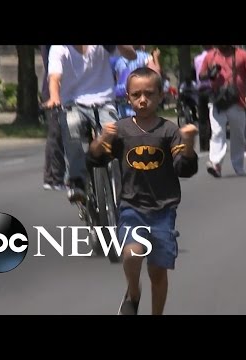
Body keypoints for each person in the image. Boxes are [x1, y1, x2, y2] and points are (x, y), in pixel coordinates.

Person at [89, 67, 199, 315]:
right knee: (131, 253)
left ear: (161, 95)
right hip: (132, 206)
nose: (142, 99)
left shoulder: (169, 131)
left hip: (163, 210)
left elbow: (185, 168)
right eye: (136, 94)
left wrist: (189, 144)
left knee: (158, 272)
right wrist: (101, 139)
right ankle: (134, 291)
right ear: (127, 97)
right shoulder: (122, 130)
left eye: (149, 94)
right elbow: (95, 159)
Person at [45, 45, 136, 204]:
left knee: (115, 134)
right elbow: (54, 77)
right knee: (72, 126)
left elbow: (131, 55)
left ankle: (125, 181)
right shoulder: (60, 48)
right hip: (73, 103)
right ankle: (77, 181)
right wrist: (54, 97)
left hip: (104, 102)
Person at [199, 45, 246, 177]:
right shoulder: (210, 56)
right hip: (218, 101)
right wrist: (209, 73)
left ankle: (238, 166)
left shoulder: (242, 55)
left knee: (238, 135)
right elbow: (201, 75)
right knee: (217, 132)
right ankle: (215, 164)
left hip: (236, 101)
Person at [41, 45, 67, 190]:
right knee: (56, 134)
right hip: (54, 89)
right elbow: (50, 64)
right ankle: (55, 177)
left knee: (60, 135)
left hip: (71, 88)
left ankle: (54, 177)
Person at [114, 45, 161, 118]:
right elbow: (156, 73)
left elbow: (117, 78)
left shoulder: (119, 59)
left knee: (124, 125)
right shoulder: (145, 57)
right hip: (140, 99)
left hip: (122, 99)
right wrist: (155, 56)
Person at [194, 45, 213, 151]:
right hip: (210, 89)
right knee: (211, 117)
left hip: (200, 89)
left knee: (202, 119)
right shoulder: (212, 57)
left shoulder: (197, 59)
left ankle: (203, 145)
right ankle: (210, 142)